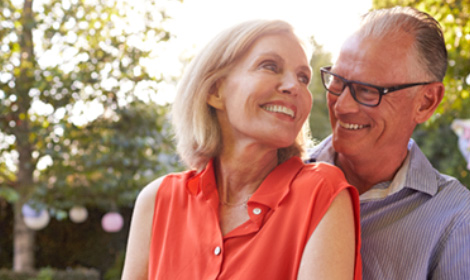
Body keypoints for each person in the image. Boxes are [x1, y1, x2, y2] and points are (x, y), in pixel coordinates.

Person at [122, 19, 362, 279]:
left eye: (303, 77)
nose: (294, 86)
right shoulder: (157, 200)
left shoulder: (322, 192)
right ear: (215, 90)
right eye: (270, 66)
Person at [308, 6, 470, 279]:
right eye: (337, 80)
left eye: (368, 90)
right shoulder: (280, 176)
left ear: (426, 102)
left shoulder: (455, 219)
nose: (342, 106)